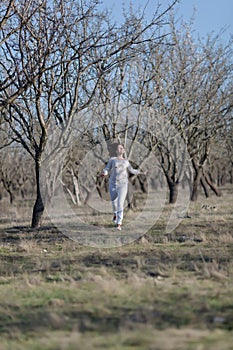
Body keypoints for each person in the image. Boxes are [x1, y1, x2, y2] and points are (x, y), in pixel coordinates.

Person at [101, 143, 145, 230]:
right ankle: (115, 214)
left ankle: (119, 224)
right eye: (120, 148)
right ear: (116, 151)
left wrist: (140, 172)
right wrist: (104, 173)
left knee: (120, 203)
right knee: (114, 203)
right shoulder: (112, 160)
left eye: (122, 148)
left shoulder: (126, 161)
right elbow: (107, 169)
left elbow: (131, 170)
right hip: (113, 183)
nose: (122, 149)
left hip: (123, 184)